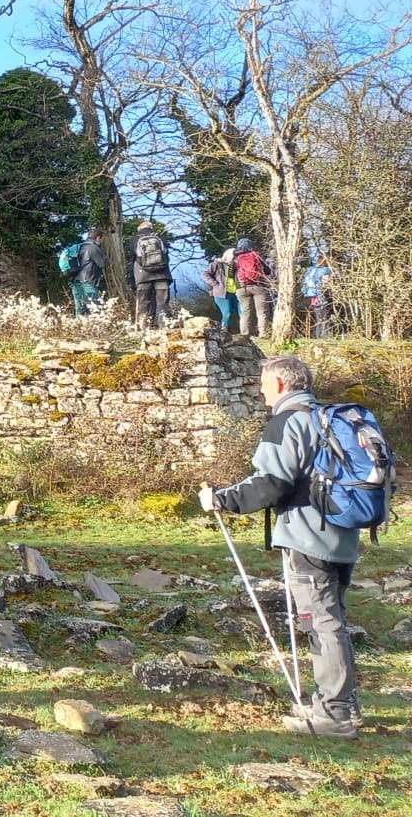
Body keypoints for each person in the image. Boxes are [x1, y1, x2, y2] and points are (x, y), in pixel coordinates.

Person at [200, 357, 364, 738]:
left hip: (309, 535)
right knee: (333, 618)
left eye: (262, 383)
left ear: (278, 384)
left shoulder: (287, 421)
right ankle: (342, 703)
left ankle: (333, 714)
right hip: (343, 533)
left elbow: (273, 482)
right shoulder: (329, 418)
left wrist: (221, 500)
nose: (259, 390)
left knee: (321, 622)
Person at [133, 221, 172, 328]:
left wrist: (132, 280)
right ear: (151, 228)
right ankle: (166, 326)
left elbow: (132, 258)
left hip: (143, 277)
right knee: (163, 302)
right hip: (162, 275)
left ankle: (144, 327)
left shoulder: (135, 240)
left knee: (143, 303)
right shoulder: (160, 238)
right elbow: (166, 257)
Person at [234, 237, 274, 338]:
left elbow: (230, 274)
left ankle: (244, 335)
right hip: (258, 285)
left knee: (245, 312)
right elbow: (268, 270)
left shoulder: (235, 259)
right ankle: (263, 334)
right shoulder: (255, 256)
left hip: (242, 288)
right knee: (261, 312)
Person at [70, 228, 108, 315]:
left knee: (80, 311)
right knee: (95, 310)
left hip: (75, 283)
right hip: (88, 283)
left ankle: (79, 328)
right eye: (102, 239)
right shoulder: (93, 248)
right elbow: (102, 263)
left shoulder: (79, 247)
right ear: (98, 238)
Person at [203, 247, 239, 333]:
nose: (235, 259)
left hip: (234, 293)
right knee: (227, 313)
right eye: (234, 257)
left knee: (242, 312)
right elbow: (205, 274)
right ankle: (224, 332)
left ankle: (245, 333)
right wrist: (215, 284)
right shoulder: (216, 264)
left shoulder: (235, 266)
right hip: (221, 294)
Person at [302, 256, 335, 338]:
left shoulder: (310, 270)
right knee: (325, 318)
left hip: (313, 297)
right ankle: (325, 336)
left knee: (318, 318)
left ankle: (318, 336)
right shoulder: (325, 270)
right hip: (322, 295)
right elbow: (326, 283)